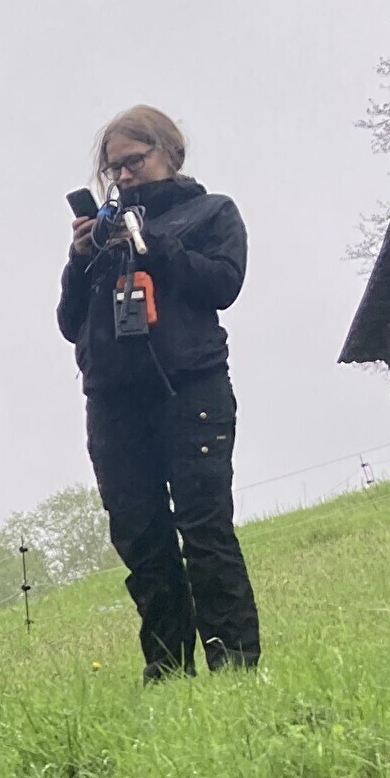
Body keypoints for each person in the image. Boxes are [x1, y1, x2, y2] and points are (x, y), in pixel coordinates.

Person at [57, 106, 259, 677]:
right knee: (140, 538)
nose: (123, 176)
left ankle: (235, 662)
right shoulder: (102, 237)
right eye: (113, 168)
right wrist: (80, 258)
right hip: (113, 403)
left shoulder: (212, 212)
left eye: (133, 162)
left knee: (204, 526)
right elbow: (69, 322)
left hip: (191, 390)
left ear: (169, 152)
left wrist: (152, 245)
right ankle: (167, 668)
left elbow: (224, 285)